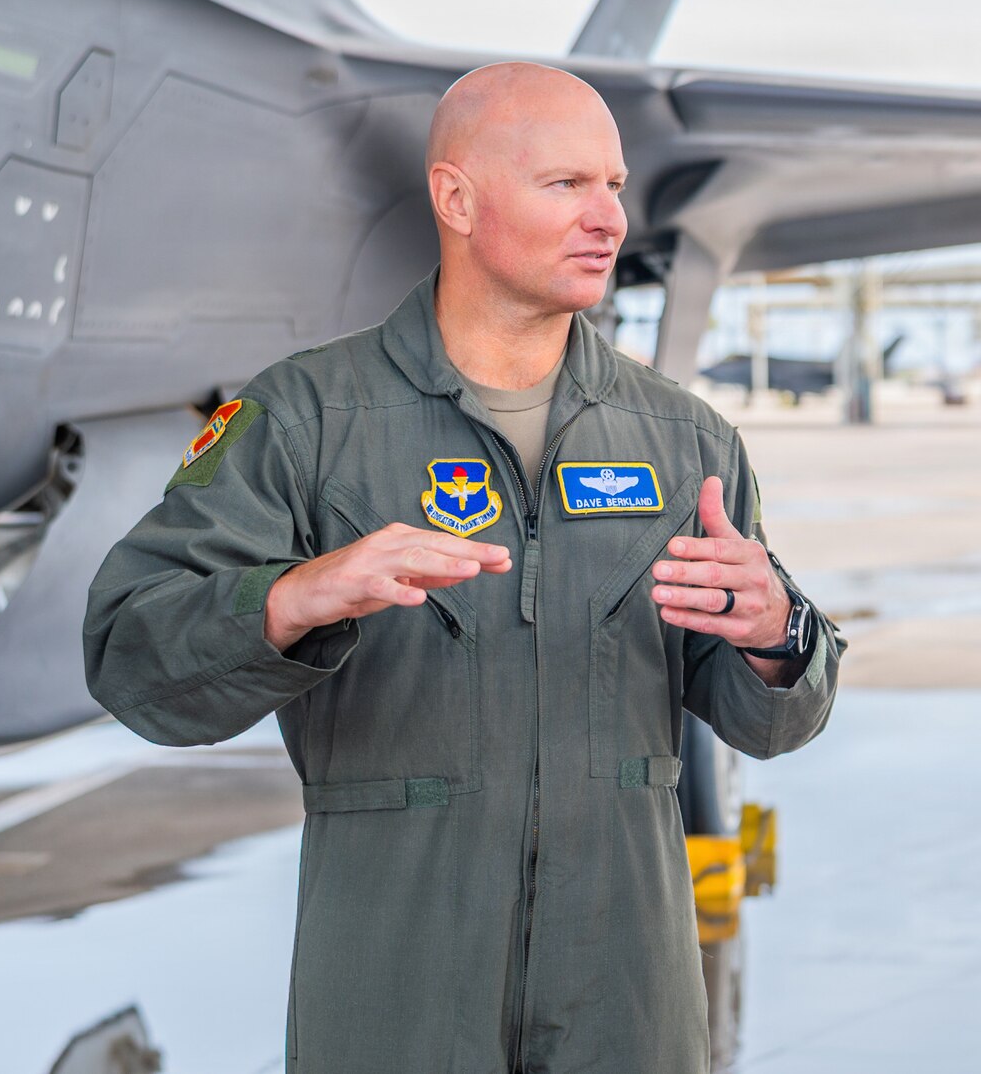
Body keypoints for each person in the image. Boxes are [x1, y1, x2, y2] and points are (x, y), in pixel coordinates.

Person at [84, 62, 841, 1073]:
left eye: (614, 186)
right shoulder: (307, 420)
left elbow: (771, 718)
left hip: (624, 1005)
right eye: (565, 185)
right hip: (394, 1001)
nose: (607, 218)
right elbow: (134, 656)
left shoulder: (680, 438)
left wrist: (776, 638)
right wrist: (293, 597)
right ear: (455, 198)